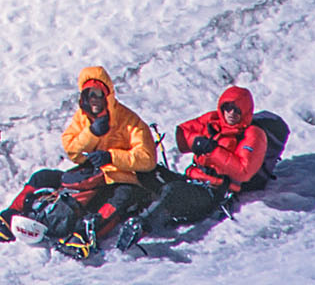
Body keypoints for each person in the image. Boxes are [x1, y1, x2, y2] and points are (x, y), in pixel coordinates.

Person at [0, 65, 155, 258]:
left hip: (121, 178)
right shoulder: (82, 118)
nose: (94, 99)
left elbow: (148, 158)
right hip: (91, 174)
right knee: (42, 177)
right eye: (89, 94)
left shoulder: (129, 121)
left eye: (99, 94)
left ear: (107, 95)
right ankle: (7, 218)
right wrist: (91, 133)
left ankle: (83, 236)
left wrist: (112, 157)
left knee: (120, 198)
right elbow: (72, 149)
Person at [113, 84, 270, 251]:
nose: (231, 113)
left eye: (237, 110)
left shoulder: (253, 134)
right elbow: (182, 134)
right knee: (147, 172)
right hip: (191, 181)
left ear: (245, 112)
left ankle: (141, 225)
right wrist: (196, 141)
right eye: (228, 107)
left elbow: (243, 171)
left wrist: (214, 150)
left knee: (173, 191)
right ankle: (113, 214)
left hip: (212, 192)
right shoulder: (214, 120)